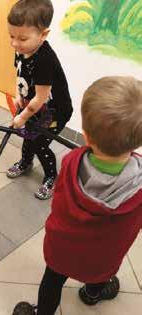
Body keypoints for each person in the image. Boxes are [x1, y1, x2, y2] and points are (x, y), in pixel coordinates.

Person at [13, 76, 142, 315]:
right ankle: (92, 294)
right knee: (99, 275)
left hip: (62, 251)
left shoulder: (71, 162)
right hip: (105, 259)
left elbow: (60, 201)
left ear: (87, 135)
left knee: (51, 282)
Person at [6, 0, 73, 200]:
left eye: (22, 38)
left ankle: (51, 177)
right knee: (29, 137)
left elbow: (41, 98)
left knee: (40, 144)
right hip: (34, 106)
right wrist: (19, 95)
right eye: (11, 36)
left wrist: (23, 117)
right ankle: (26, 163)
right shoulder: (22, 49)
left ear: (43, 34)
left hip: (54, 111)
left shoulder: (45, 60)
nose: (15, 43)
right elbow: (20, 76)